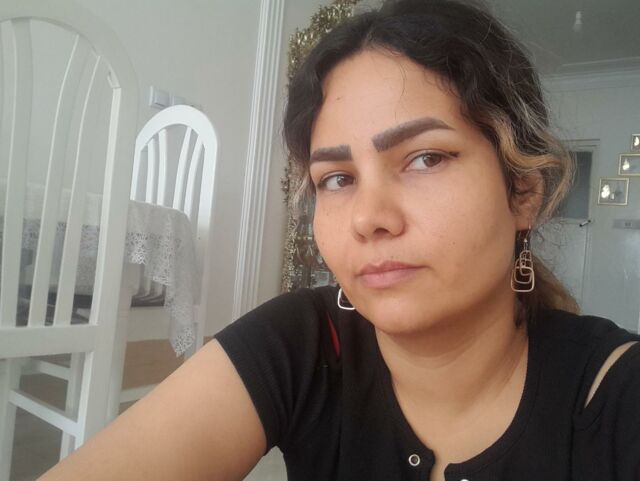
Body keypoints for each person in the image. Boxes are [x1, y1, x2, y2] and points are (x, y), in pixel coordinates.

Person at [41, 0, 640, 480]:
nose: (368, 218)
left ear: (524, 192)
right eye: (337, 178)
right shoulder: (299, 342)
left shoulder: (614, 397)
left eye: (426, 158)